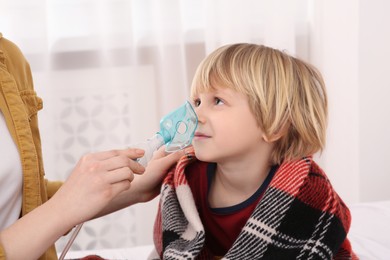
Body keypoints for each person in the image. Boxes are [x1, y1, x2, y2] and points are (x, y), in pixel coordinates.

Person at [151, 43, 358, 259]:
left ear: (275, 126)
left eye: (218, 101)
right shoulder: (187, 180)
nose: (195, 115)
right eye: (197, 101)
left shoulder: (307, 192)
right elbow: (173, 246)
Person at [0, 33, 184, 260]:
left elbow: (24, 200)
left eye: (217, 101)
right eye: (198, 101)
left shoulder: (9, 59)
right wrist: (63, 207)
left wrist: (139, 187)